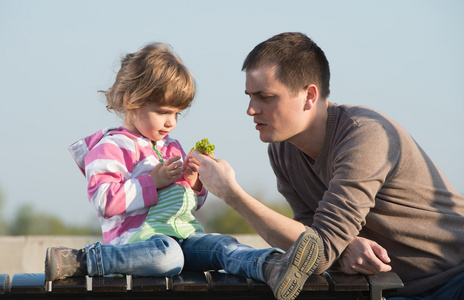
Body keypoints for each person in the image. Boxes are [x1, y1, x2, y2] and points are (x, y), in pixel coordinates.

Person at [191, 32, 464, 299]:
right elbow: (307, 237)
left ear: (310, 95)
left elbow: (317, 254)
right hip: (388, 288)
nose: (251, 109)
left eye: (266, 97)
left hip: (454, 279)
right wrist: (344, 248)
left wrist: (232, 194)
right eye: (249, 96)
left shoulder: (365, 137)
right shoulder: (282, 148)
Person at [44, 42, 322, 300]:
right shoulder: (110, 147)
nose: (171, 123)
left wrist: (193, 183)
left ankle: (273, 266)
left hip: (183, 235)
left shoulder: (171, 146)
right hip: (139, 242)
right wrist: (152, 181)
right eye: (164, 112)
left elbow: (188, 206)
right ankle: (84, 260)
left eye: (177, 113)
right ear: (131, 100)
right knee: (168, 257)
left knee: (222, 245)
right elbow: (104, 202)